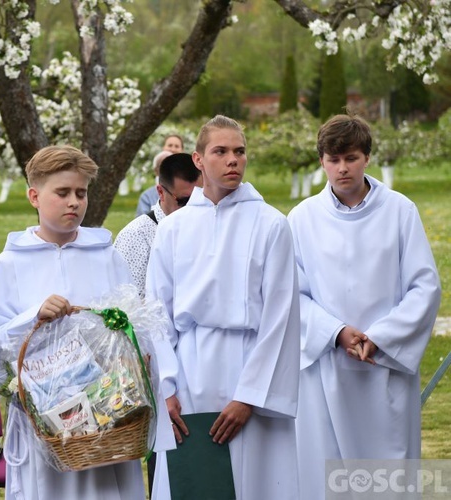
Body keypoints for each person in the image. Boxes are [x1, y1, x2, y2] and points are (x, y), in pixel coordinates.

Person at [0, 145, 162, 500]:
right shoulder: (9, 264)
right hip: (46, 423)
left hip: (107, 420)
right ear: (34, 196)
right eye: (62, 193)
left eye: (81, 193)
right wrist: (33, 317)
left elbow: (133, 323)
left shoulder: (106, 256)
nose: (74, 202)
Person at [288, 114, 441, 499]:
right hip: (327, 367)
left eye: (351, 158)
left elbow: (424, 287)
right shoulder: (301, 219)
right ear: (321, 160)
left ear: (367, 158)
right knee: (328, 474)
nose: (343, 168)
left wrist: (381, 336)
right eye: (334, 159)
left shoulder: (400, 211)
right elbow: (291, 295)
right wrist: (336, 332)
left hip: (383, 367)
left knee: (385, 476)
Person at [147, 115, 300, 499]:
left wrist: (250, 396)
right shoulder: (172, 229)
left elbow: (281, 316)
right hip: (189, 371)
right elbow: (156, 313)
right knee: (194, 480)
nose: (233, 159)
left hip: (249, 368)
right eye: (221, 151)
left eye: (239, 151)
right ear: (198, 160)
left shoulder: (271, 224)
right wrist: (165, 387)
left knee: (256, 482)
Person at [115, 152, 200, 295]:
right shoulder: (136, 236)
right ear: (160, 192)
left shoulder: (206, 227)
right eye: (183, 202)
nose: (192, 209)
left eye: (199, 200)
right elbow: (128, 304)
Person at [135, 134, 185, 217]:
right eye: (170, 145)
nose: (173, 149)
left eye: (177, 146)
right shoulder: (147, 196)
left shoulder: (188, 190)